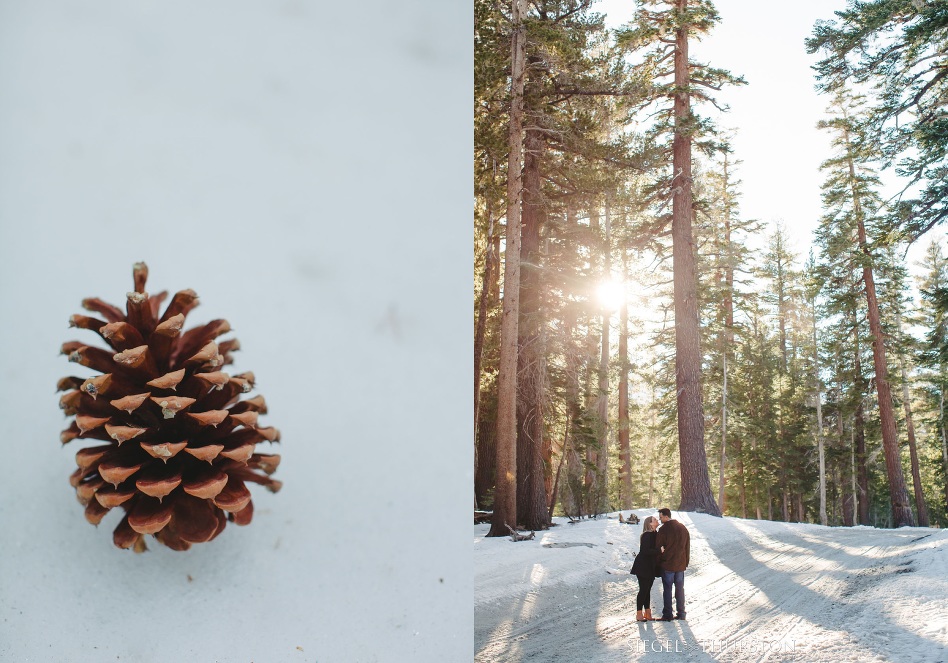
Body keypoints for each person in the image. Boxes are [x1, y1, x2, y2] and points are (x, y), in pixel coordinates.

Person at [655, 507, 690, 621]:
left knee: (667, 589)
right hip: (680, 564)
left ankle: (668, 614)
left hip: (668, 564)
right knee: (680, 589)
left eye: (661, 517)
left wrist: (659, 562)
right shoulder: (682, 528)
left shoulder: (663, 530)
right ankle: (681, 613)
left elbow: (658, 547)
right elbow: (687, 547)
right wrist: (686, 562)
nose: (660, 520)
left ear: (666, 516)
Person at [630, 516, 661, 622]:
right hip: (643, 566)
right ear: (650, 524)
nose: (657, 521)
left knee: (647, 590)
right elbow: (645, 550)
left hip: (650, 566)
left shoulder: (655, 534)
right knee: (643, 589)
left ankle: (647, 613)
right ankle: (639, 613)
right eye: (655, 520)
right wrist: (659, 550)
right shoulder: (647, 535)